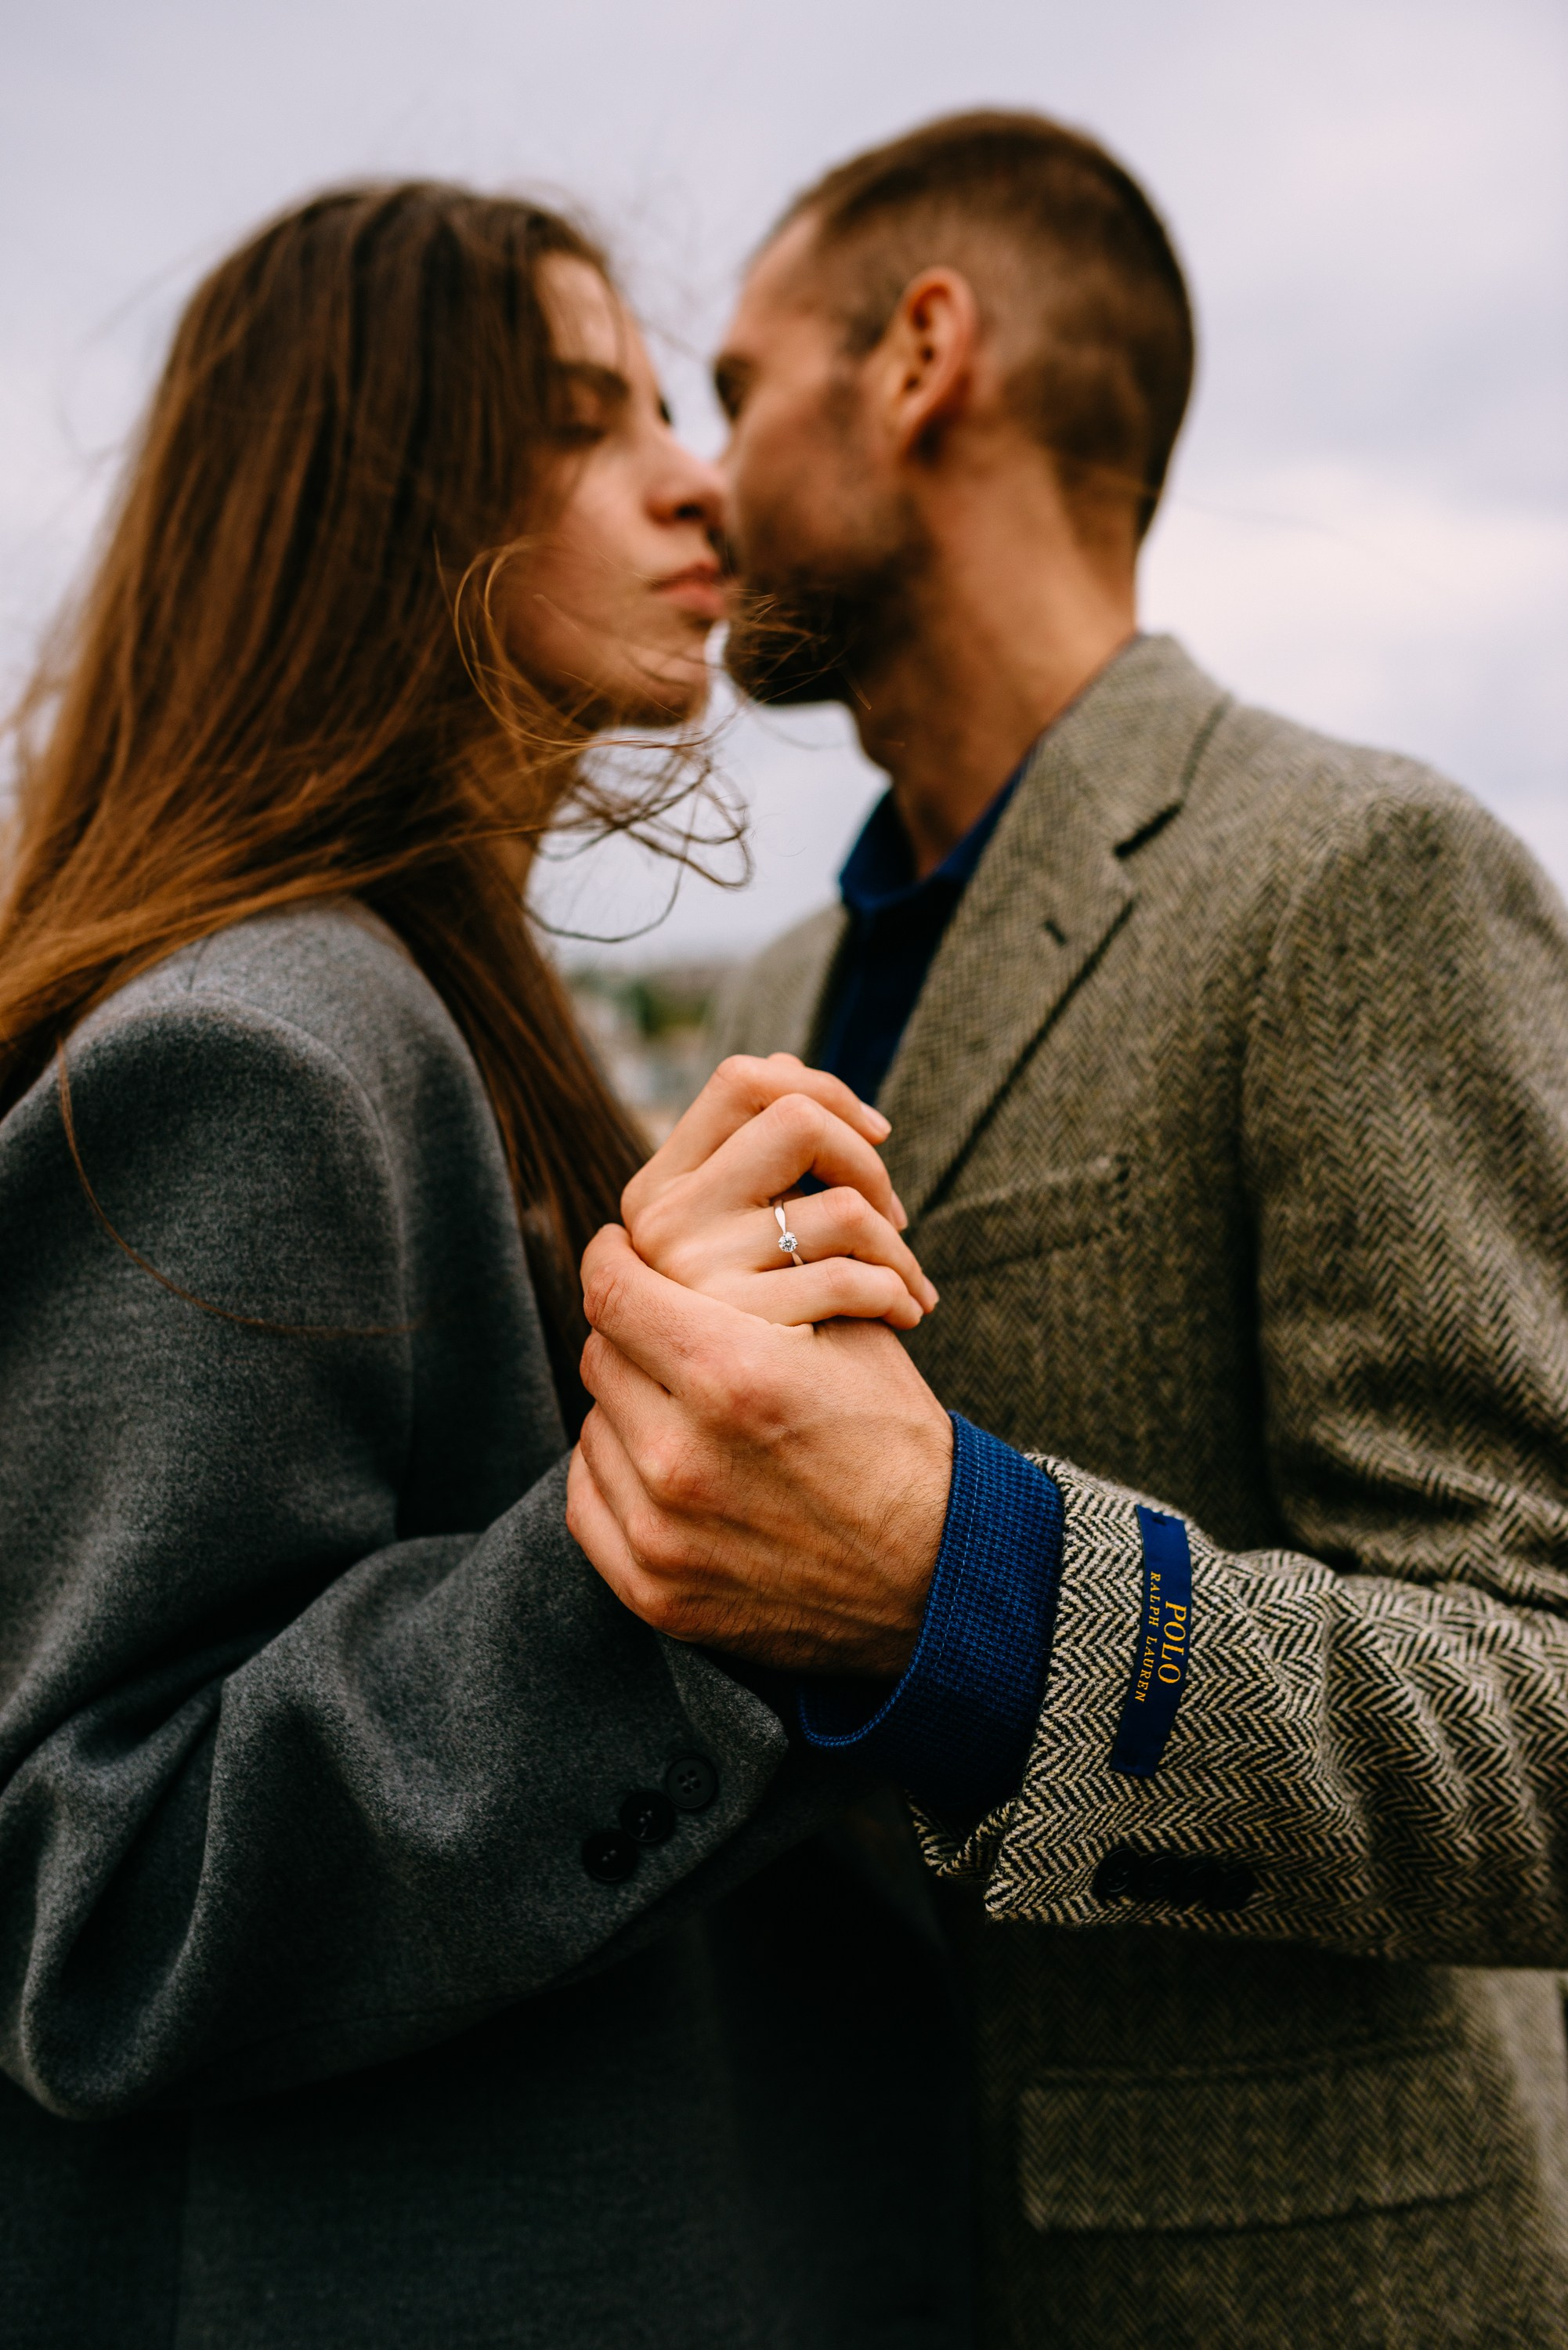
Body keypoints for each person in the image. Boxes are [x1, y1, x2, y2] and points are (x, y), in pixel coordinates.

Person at [567, 112, 1568, 2348]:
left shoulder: (1353, 873)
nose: (705, 481)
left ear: (924, 355)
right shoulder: (767, 1005)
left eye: (734, 390)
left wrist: (977, 1589)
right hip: (848, 2255)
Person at [0, 181, 970, 2348]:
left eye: (669, 407)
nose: (695, 478)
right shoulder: (256, 1053)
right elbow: (92, 1902)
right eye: (577, 417)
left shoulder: (440, 1014)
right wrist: (659, 1548)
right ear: (368, 484)